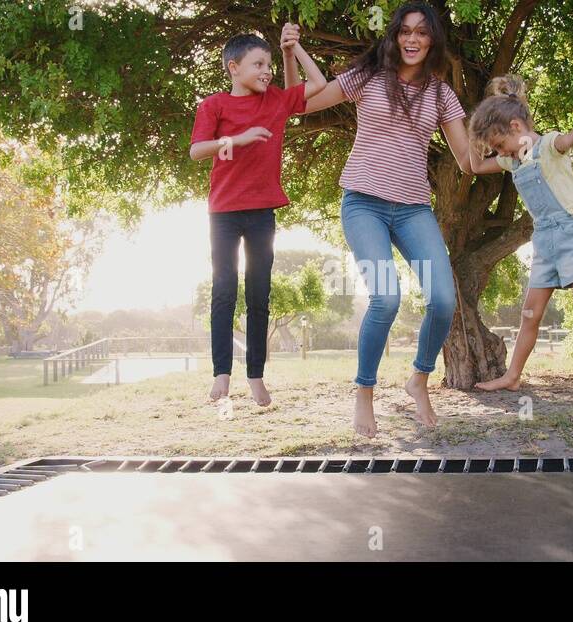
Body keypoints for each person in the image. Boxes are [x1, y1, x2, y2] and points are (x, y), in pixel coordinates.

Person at [300, 2, 474, 437]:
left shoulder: (441, 94)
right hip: (364, 204)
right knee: (386, 299)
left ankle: (419, 377)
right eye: (405, 31)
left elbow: (468, 161)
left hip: (414, 208)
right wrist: (293, 53)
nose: (412, 39)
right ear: (394, 36)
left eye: (421, 32)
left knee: (443, 299)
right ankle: (365, 393)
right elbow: (306, 103)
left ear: (432, 40)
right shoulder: (369, 76)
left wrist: (515, 145)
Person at [467, 74, 573, 414]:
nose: (498, 152)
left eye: (499, 144)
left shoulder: (547, 145)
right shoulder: (513, 161)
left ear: (515, 126)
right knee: (530, 314)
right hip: (544, 240)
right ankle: (512, 376)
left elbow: (566, 141)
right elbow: (475, 166)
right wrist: (467, 133)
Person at [189, 24, 325, 406]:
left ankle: (256, 376)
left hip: (262, 211)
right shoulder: (213, 105)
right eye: (258, 64)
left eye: (268, 64)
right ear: (233, 68)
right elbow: (197, 150)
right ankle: (221, 375)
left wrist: (292, 49)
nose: (266, 71)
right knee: (224, 292)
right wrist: (237, 139)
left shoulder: (276, 101)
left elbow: (317, 81)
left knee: (259, 294)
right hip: (223, 213)